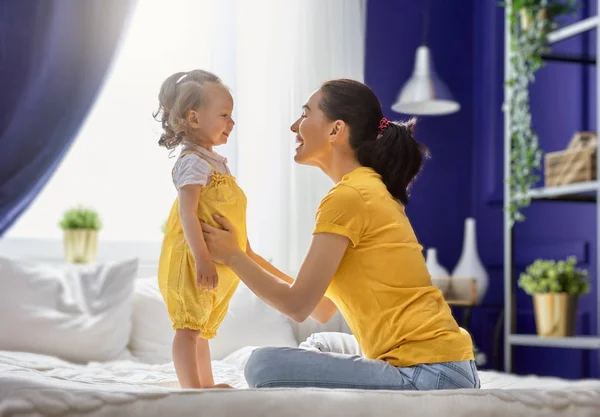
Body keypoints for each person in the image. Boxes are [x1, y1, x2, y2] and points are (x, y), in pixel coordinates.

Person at [200, 79, 481, 391]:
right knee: (320, 341)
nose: (295, 126)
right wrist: (247, 253)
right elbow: (321, 309)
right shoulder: (366, 188)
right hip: (448, 366)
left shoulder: (348, 197)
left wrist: (233, 257)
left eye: (305, 115)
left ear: (335, 130)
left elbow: (297, 306)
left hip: (427, 374)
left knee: (260, 364)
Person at [155, 69, 243, 389]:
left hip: (208, 257)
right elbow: (188, 213)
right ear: (194, 118)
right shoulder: (193, 161)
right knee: (188, 328)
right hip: (191, 258)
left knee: (201, 327)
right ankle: (191, 391)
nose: (231, 123)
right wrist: (203, 259)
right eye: (224, 115)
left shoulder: (214, 160)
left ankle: (205, 385)